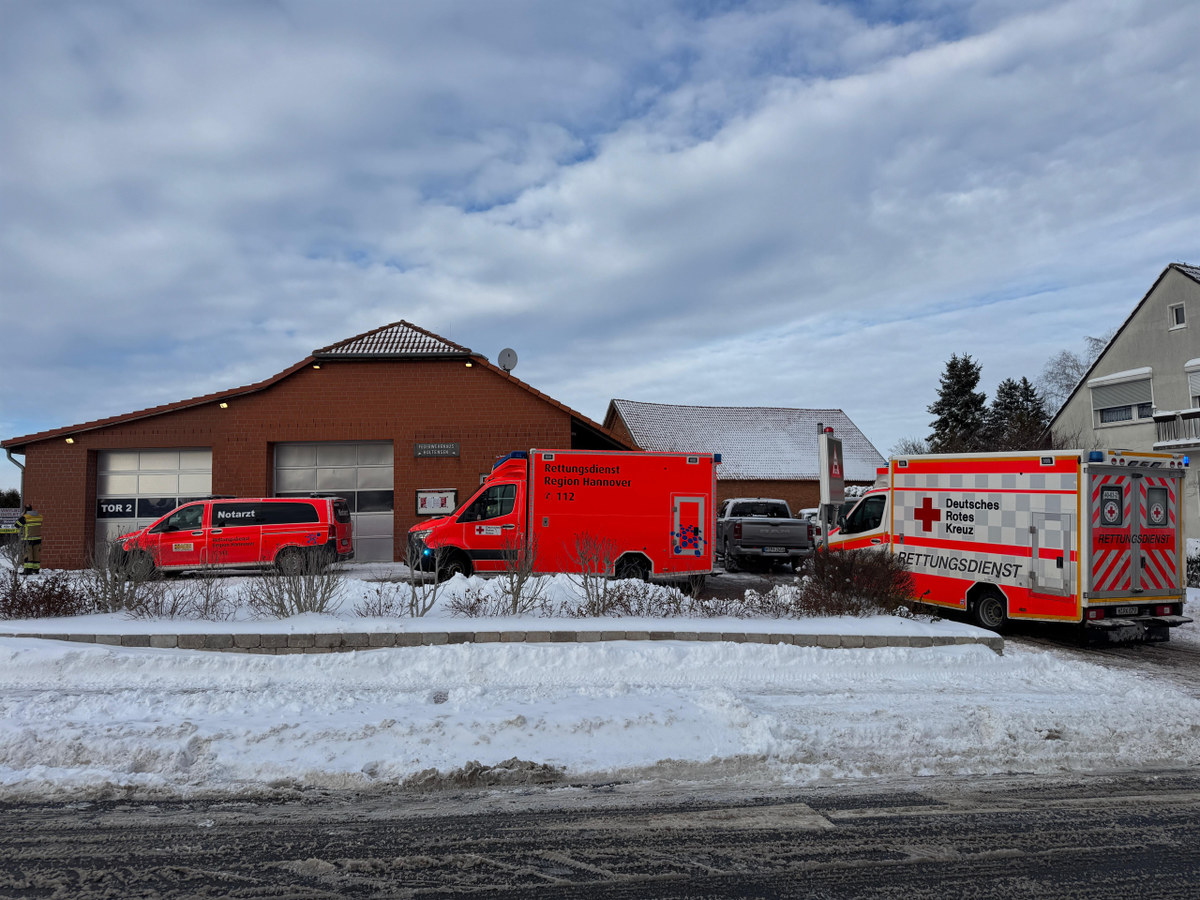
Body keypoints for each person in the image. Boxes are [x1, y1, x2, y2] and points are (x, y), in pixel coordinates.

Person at [15, 505, 42, 576]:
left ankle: (27, 570)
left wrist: (22, 515)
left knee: (28, 554)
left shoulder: (25, 517)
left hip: (28, 539)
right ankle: (36, 569)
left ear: (25, 510)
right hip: (37, 539)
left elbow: (17, 525)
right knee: (36, 554)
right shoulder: (39, 517)